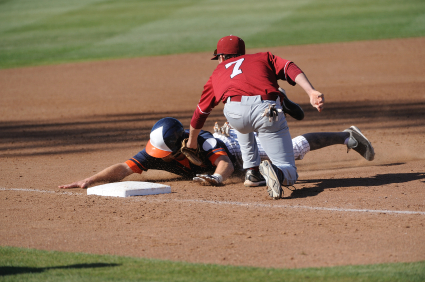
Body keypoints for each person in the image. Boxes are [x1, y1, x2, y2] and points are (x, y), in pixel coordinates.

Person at [59, 117, 375, 199]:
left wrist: (218, 177)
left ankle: (346, 137)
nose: (155, 157)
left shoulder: (206, 141)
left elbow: (223, 163)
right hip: (223, 157)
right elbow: (124, 168)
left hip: (236, 148)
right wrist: (91, 180)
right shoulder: (156, 151)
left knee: (291, 151)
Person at [185, 35, 325, 199]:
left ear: (221, 57)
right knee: (289, 170)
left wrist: (192, 142)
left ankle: (252, 172)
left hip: (234, 114)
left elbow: (201, 111)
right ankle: (277, 173)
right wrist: (311, 91)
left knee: (242, 124)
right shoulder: (263, 57)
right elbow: (289, 67)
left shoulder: (217, 72)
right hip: (265, 110)